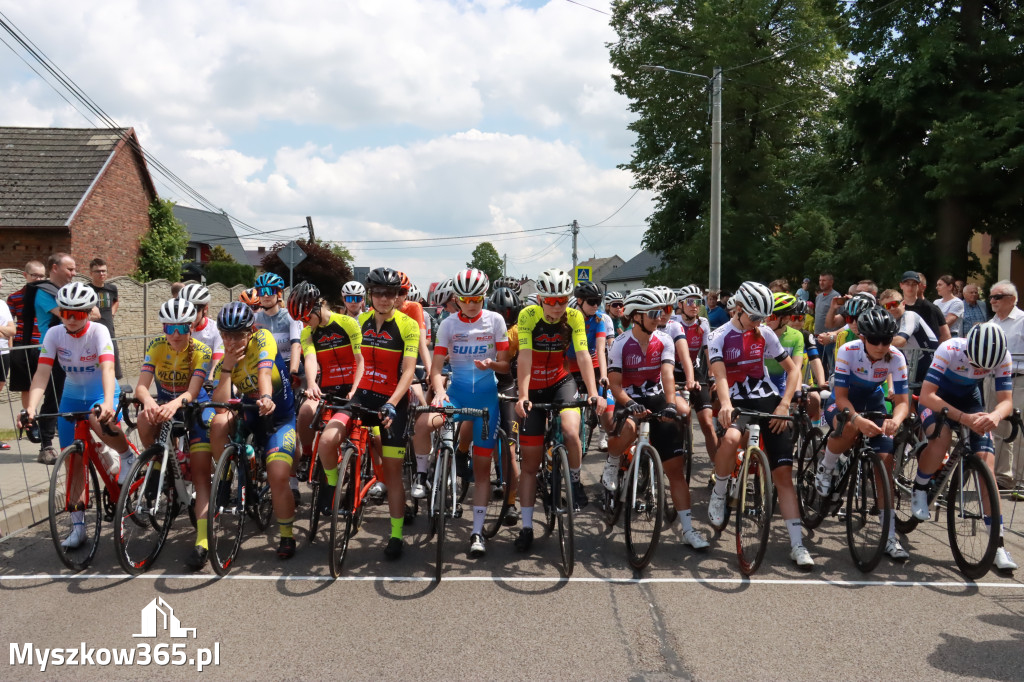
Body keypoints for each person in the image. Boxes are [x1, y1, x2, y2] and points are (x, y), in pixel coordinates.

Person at [313, 268, 419, 559]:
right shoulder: (359, 322)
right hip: (360, 395)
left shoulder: (409, 325)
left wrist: (393, 403)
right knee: (327, 439)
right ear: (370, 295)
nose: (385, 299)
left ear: (398, 295)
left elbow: (408, 371)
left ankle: (396, 535)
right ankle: (332, 487)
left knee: (394, 476)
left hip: (392, 402)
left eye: (391, 293)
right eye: (379, 293)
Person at [18, 283, 131, 550]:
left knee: (98, 420)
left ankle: (127, 456)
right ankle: (78, 526)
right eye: (66, 312)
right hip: (71, 395)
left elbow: (107, 368)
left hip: (101, 392)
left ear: (88, 313)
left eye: (78, 314)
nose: (70, 319)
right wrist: (31, 408)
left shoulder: (99, 330)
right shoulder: (55, 334)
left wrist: (106, 403)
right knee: (74, 462)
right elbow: (42, 375)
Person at [707, 281, 812, 567]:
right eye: (754, 317)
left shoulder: (765, 333)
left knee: (783, 475)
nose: (759, 323)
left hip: (767, 398)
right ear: (738, 309)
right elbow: (720, 376)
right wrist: (726, 405)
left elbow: (793, 370)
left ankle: (797, 545)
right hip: (736, 397)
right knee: (729, 440)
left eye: (763, 318)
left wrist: (784, 404)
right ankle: (720, 491)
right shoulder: (718, 336)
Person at [604, 288, 709, 550]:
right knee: (626, 430)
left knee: (675, 470)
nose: (659, 317)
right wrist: (630, 404)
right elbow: (615, 385)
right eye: (653, 313)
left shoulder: (664, 340)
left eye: (661, 312)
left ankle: (688, 529)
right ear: (636, 316)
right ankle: (614, 459)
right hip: (627, 398)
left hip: (655, 397)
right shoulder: (620, 343)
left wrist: (672, 404)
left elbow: (667, 376)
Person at [415, 268, 509, 558]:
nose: (472, 303)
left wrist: (491, 365)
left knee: (482, 471)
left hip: (486, 403)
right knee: (422, 424)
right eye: (466, 298)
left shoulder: (496, 321)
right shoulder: (448, 324)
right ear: (457, 298)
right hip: (454, 396)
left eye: (478, 298)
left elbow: (506, 365)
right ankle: (420, 476)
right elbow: (436, 365)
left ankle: (477, 532)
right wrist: (440, 392)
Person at [914, 323, 1017, 571]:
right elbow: (927, 396)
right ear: (968, 349)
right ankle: (919, 487)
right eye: (976, 364)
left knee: (987, 471)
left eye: (985, 369)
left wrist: (994, 417)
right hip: (937, 400)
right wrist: (963, 419)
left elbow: (1006, 402)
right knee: (941, 441)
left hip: (970, 401)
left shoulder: (1003, 356)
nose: (980, 370)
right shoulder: (949, 349)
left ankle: (998, 544)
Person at [513, 268, 604, 550]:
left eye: (562, 300)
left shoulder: (575, 316)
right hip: (534, 386)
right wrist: (523, 396)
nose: (556, 306)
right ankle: (527, 526)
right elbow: (525, 357)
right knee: (529, 464)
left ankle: (574, 481)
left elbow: (581, 354)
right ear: (540, 298)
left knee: (570, 431)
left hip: (560, 380)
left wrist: (592, 393)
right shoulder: (527, 316)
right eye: (550, 301)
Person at [813, 307, 910, 560]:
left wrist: (896, 420)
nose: (881, 346)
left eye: (886, 340)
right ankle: (827, 465)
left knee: (885, 463)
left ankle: (889, 536)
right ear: (863, 338)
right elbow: (842, 398)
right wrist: (857, 418)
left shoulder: (896, 357)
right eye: (875, 340)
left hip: (873, 401)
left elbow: (902, 401)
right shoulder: (849, 351)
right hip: (844, 401)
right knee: (852, 427)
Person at [209, 302, 299, 559]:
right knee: (218, 423)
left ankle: (286, 534)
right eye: (226, 335)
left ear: (250, 331)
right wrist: (226, 367)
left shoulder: (263, 339)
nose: (231, 340)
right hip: (250, 413)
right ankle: (225, 479)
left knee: (278, 475)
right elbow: (220, 404)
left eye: (238, 335)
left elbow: (264, 372)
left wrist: (267, 396)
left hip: (278, 416)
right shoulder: (227, 356)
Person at [134, 298, 214, 570]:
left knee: (202, 474)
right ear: (164, 327)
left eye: (182, 327)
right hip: (165, 404)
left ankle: (202, 541)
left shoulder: (201, 349)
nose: (176, 334)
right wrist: (149, 402)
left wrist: (175, 403)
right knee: (144, 417)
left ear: (191, 326)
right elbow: (142, 387)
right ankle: (159, 462)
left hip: (194, 407)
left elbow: (192, 392)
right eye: (170, 327)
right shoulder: (157, 346)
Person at [288, 282, 363, 516]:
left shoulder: (347, 323)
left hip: (353, 386)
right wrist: (311, 384)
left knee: (376, 438)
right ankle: (308, 454)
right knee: (305, 412)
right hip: (327, 387)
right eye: (298, 319)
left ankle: (377, 481)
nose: (303, 322)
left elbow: (361, 360)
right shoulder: (307, 331)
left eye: (305, 316)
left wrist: (356, 389)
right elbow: (310, 359)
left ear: (318, 306)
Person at [24, 253, 79, 464]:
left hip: (73, 349)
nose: (74, 274)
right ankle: (46, 446)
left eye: (74, 269)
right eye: (70, 269)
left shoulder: (68, 292)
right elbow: (70, 316)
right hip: (52, 350)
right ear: (54, 268)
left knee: (73, 395)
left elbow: (94, 313)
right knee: (53, 398)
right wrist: (82, 311)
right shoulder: (45, 292)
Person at [985, 280, 1024, 491]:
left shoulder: (1022, 320)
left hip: (1018, 380)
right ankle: (1001, 478)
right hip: (992, 380)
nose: (992, 301)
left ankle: (1021, 481)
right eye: (990, 297)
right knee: (997, 429)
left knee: (1019, 431)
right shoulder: (991, 324)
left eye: (997, 297)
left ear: (1011, 299)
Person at [878, 288, 938, 388]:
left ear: (903, 304)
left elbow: (900, 341)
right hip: (914, 369)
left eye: (895, 304)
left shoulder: (909, 315)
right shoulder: (890, 323)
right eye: (887, 306)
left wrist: (874, 341)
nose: (892, 308)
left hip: (931, 367)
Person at [87, 258, 122, 380]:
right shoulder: (86, 290)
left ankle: (114, 384)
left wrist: (112, 314)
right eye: (97, 271)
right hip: (92, 330)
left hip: (109, 329)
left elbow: (116, 301)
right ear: (91, 273)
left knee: (112, 354)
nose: (101, 274)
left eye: (104, 271)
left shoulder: (112, 288)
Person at [177, 283, 224, 372]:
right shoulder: (177, 328)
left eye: (194, 310)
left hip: (206, 379)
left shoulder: (216, 329)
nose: (189, 315)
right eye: (185, 310)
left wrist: (210, 381)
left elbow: (216, 364)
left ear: (205, 309)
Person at [900, 271, 950, 342]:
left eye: (914, 284)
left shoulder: (930, 308)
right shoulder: (897, 307)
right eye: (907, 283)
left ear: (918, 285)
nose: (910, 287)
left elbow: (945, 335)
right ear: (901, 285)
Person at [814, 272, 843, 375]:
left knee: (832, 365)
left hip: (830, 338)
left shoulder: (836, 297)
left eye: (824, 280)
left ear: (831, 282)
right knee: (819, 365)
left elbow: (841, 318)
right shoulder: (818, 297)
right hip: (818, 337)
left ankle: (832, 386)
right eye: (820, 280)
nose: (821, 283)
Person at [0, 271, 14, 450]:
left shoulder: (3, 304)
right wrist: (5, 330)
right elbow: (8, 330)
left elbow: (13, 331)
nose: (1, 283)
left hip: (3, 353)